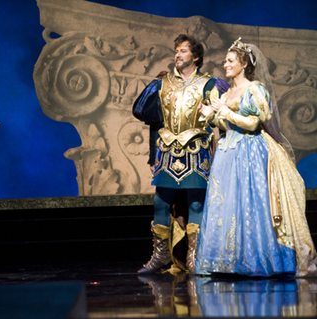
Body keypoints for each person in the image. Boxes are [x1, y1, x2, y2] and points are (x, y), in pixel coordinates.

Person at [195, 38, 317, 276]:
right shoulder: (230, 91)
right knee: (228, 205)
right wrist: (211, 114)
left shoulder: (255, 89)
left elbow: (253, 123)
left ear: (243, 63)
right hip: (228, 153)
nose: (226, 64)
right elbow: (226, 122)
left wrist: (224, 111)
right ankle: (228, 261)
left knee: (251, 204)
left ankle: (258, 260)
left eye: (230, 61)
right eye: (226, 61)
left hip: (249, 152)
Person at [132, 34, 229, 275]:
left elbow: (223, 119)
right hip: (167, 150)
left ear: (196, 57)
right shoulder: (163, 83)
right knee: (160, 202)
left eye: (183, 51)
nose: (177, 54)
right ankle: (161, 255)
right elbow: (140, 111)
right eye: (176, 50)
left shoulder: (210, 84)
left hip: (196, 150)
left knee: (196, 202)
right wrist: (153, 86)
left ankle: (196, 255)